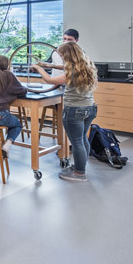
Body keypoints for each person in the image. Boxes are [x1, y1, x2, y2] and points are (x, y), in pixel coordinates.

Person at [31, 42, 97, 182]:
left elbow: (50, 80)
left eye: (61, 55)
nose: (60, 58)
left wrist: (38, 68)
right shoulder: (86, 65)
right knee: (82, 138)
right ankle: (80, 166)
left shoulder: (72, 71)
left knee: (77, 141)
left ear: (67, 55)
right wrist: (49, 65)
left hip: (74, 110)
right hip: (89, 108)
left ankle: (79, 173)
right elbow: (65, 67)